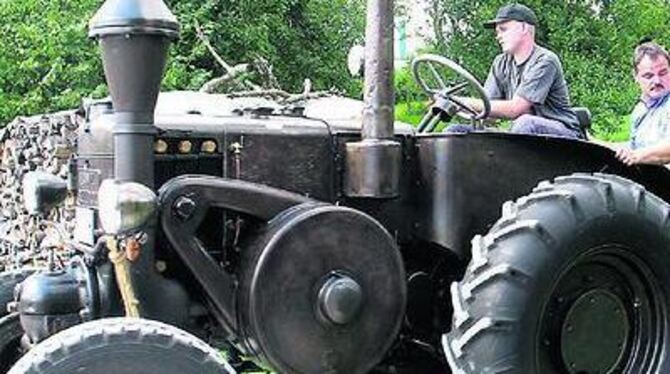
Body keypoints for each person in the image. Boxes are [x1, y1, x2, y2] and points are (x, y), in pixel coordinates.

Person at [447, 4, 583, 139]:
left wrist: (464, 101)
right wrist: (454, 103)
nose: (498, 36)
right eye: (497, 32)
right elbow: (488, 112)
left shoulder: (545, 60)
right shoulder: (500, 63)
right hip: (525, 133)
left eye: (503, 29)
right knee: (456, 131)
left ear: (524, 28)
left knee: (525, 122)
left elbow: (516, 109)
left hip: (565, 135)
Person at [615, 41, 670, 166]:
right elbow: (633, 148)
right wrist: (594, 143)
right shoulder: (640, 110)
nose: (657, 81)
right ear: (636, 77)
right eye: (648, 76)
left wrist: (637, 156)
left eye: (663, 73)